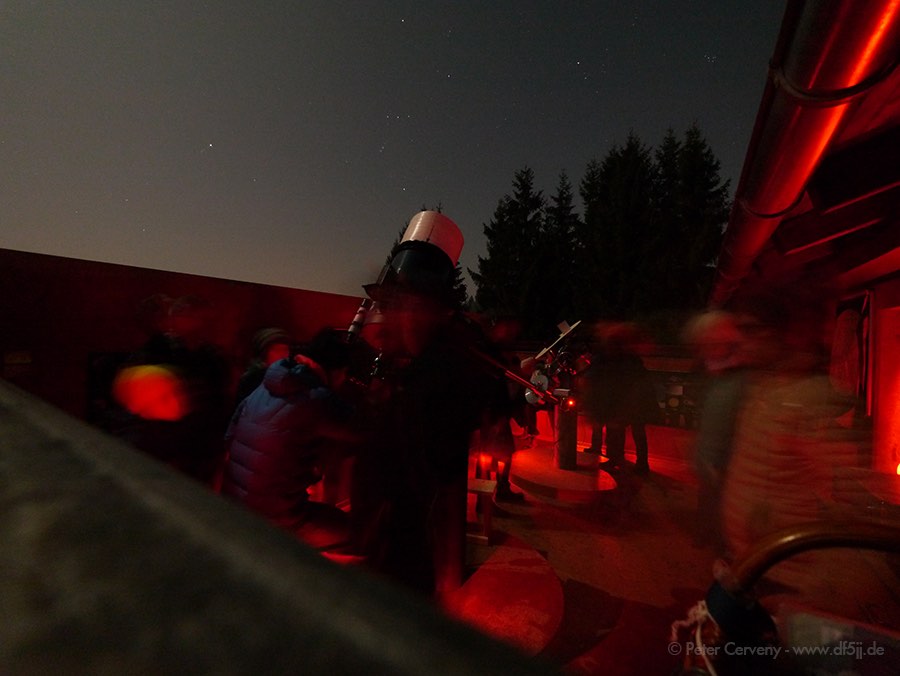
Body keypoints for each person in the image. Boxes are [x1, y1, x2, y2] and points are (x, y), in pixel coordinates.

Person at [350, 210, 492, 598]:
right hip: (383, 539)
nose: (392, 315)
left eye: (405, 304)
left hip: (406, 547)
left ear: (433, 310)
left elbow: (432, 464)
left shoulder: (442, 376)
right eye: (392, 303)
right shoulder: (407, 367)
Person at [222, 328, 357, 551]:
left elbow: (229, 436)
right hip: (277, 519)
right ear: (335, 371)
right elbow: (365, 430)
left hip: (234, 505)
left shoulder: (264, 386)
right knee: (356, 532)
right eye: (344, 374)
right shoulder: (317, 399)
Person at [110, 294, 231, 486]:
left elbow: (214, 410)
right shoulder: (157, 357)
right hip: (171, 459)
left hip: (193, 457)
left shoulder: (208, 359)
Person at [683, 310, 752, 552]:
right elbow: (709, 416)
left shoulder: (742, 377)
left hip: (732, 459)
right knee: (709, 499)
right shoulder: (715, 373)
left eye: (710, 343)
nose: (705, 350)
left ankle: (720, 546)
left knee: (724, 507)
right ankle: (707, 538)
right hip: (712, 455)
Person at [582, 323, 657, 474]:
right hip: (635, 400)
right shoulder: (629, 356)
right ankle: (633, 462)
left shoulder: (619, 356)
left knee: (622, 430)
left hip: (632, 400)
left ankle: (623, 460)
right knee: (633, 432)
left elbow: (608, 376)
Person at [234, 327, 292, 405]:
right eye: (276, 350)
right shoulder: (253, 380)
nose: (282, 354)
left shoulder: (290, 377)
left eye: (285, 350)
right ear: (263, 353)